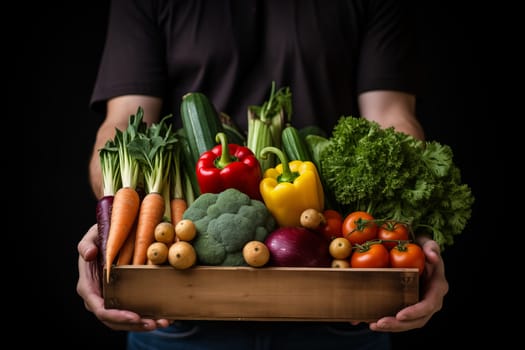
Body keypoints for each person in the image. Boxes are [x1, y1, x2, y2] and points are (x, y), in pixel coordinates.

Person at [77, 0, 449, 349]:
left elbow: (390, 118)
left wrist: (411, 226)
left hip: (339, 302)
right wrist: (113, 222)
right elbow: (123, 124)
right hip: (178, 305)